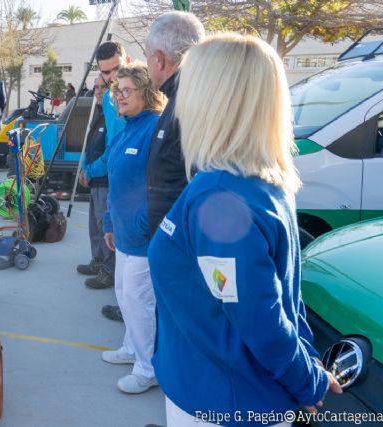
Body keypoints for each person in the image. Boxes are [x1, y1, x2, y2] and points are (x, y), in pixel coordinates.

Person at [148, 34, 342, 426]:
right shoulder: (260, 181)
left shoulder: (220, 196)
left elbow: (262, 317)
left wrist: (308, 383)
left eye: (191, 87)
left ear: (213, 100)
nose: (179, 101)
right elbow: (282, 295)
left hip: (225, 403)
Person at [101, 63, 165, 394]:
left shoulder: (155, 128)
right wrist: (110, 222)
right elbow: (116, 181)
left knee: (139, 300)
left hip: (142, 237)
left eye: (126, 90)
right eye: (117, 91)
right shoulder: (126, 127)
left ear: (146, 91)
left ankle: (148, 367)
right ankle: (131, 349)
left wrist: (141, 224)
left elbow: (160, 187)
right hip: (123, 233)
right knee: (124, 295)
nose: (120, 96)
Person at [145, 12, 204, 237]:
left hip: (179, 246)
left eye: (147, 56)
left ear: (159, 59)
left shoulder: (190, 103)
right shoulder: (181, 97)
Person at [83, 41, 127, 317]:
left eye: (116, 70)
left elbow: (118, 146)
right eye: (105, 73)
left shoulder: (128, 93)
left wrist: (93, 170)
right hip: (116, 176)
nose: (110, 78)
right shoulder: (111, 98)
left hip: (126, 179)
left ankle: (128, 303)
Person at [77, 77, 114, 298]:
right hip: (94, 180)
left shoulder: (111, 116)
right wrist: (84, 169)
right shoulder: (99, 115)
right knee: (94, 225)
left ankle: (109, 270)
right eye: (96, 88)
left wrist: (90, 171)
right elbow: (89, 147)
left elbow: (110, 153)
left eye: (104, 87)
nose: (99, 91)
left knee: (104, 226)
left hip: (105, 181)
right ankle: (98, 261)